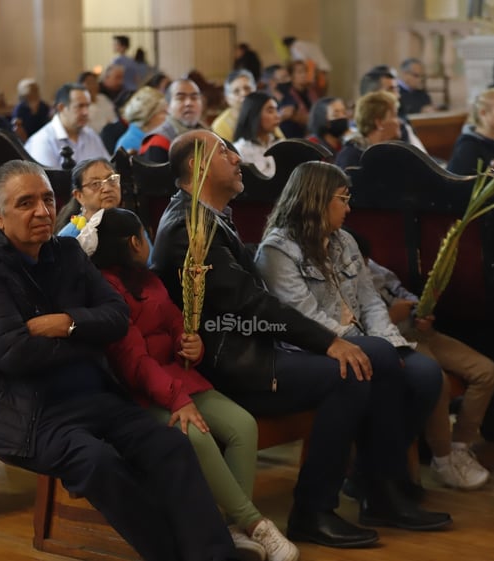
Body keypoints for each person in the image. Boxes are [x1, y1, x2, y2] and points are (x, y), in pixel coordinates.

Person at [152, 130, 452, 549]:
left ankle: (378, 488)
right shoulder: (188, 226)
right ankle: (319, 508)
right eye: (226, 152)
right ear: (196, 166)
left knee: (379, 357)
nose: (238, 158)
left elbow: (253, 302)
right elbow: (249, 303)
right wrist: (328, 342)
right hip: (225, 363)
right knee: (351, 372)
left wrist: (332, 342)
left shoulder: (206, 217)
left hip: (249, 350)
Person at [0, 159, 240, 561]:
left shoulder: (67, 253)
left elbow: (117, 316)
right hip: (26, 410)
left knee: (170, 447)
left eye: (47, 199)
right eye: (25, 203)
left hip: (93, 396)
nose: (41, 211)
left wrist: (67, 323)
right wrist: (89, 339)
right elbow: (13, 353)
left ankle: (216, 556)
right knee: (99, 463)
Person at [79, 206, 299, 561]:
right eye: (144, 234)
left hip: (177, 379)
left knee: (243, 425)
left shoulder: (147, 279)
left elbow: (174, 321)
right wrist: (177, 399)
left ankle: (232, 528)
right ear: (135, 242)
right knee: (197, 435)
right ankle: (255, 524)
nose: (149, 240)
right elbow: (133, 363)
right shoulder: (107, 289)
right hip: (140, 394)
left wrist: (191, 344)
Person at [255, 160, 447, 494]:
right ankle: (386, 486)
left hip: (365, 340)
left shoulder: (344, 240)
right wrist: (372, 347)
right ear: (317, 199)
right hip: (312, 347)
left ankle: (367, 473)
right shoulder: (277, 249)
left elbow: (370, 300)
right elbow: (306, 318)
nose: (349, 207)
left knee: (427, 375)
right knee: (383, 363)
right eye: (342, 198)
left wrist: (389, 342)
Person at [352, 230, 494, 490]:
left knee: (486, 371)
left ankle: (460, 447)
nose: (364, 267)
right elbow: (356, 330)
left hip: (421, 332)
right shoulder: (345, 280)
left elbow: (406, 296)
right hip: (395, 340)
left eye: (365, 261)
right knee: (436, 380)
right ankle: (442, 459)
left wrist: (423, 311)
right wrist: (391, 316)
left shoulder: (378, 270)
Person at [24, 83, 110, 167]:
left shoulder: (91, 135)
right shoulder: (42, 141)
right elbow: (48, 179)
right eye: (80, 106)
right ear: (61, 108)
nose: (86, 112)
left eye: (87, 106)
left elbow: (108, 168)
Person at [139, 78, 206, 163]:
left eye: (194, 97)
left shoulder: (210, 134)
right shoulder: (158, 140)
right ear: (167, 106)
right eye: (180, 98)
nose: (189, 103)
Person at [335, 90, 401, 169]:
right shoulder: (351, 156)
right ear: (379, 123)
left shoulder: (390, 153)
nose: (399, 122)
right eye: (394, 115)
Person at [232, 91, 282, 178]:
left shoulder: (281, 144)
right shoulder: (240, 150)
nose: (277, 116)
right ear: (254, 114)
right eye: (270, 111)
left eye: (276, 110)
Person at [115, 85, 167, 153]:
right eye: (163, 112)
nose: (167, 116)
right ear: (150, 116)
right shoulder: (126, 145)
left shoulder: (158, 133)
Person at [211, 69, 256, 142]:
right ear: (227, 99)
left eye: (247, 88)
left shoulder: (264, 114)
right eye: (236, 91)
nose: (244, 94)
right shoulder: (220, 126)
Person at [276, 60, 316, 138]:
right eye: (300, 72)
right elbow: (290, 114)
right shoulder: (287, 95)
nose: (304, 75)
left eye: (305, 71)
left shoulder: (311, 91)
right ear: (291, 76)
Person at [79, 70, 118, 136]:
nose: (93, 85)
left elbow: (113, 118)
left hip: (112, 133)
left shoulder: (103, 98)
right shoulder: (81, 106)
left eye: (94, 82)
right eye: (89, 83)